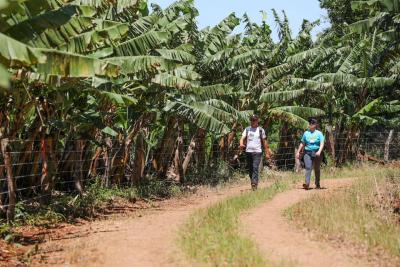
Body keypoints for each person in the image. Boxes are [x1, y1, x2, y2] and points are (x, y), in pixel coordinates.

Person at [240, 114, 272, 190]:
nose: (253, 121)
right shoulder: (247, 129)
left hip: (257, 152)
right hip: (248, 152)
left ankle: (254, 183)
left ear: (257, 121)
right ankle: (253, 182)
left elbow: (264, 142)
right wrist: (241, 144)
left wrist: (267, 153)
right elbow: (242, 138)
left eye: (254, 120)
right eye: (251, 120)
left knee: (255, 167)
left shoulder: (261, 130)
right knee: (250, 169)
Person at [296, 118, 325, 190]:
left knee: (317, 168)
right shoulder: (306, 133)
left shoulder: (319, 133)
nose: (310, 125)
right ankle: (307, 183)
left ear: (315, 125)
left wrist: (319, 151)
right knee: (308, 167)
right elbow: (302, 143)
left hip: (317, 153)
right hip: (307, 152)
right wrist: (298, 152)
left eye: (311, 124)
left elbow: (322, 143)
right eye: (309, 124)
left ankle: (317, 183)